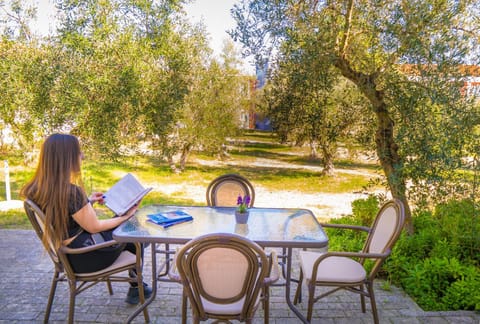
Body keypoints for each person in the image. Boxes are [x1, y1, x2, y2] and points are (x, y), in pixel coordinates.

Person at [21, 133, 152, 304]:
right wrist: (126, 216)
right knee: (134, 228)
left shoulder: (37, 188)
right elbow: (95, 227)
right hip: (86, 257)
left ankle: (136, 284)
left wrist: (87, 202)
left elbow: (63, 211)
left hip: (68, 255)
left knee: (129, 228)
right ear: (67, 157)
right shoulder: (71, 192)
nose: (82, 156)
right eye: (78, 152)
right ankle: (136, 286)